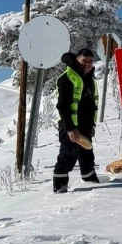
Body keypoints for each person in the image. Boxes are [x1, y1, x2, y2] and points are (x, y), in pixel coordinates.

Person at [52, 49, 99, 193]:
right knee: (67, 156)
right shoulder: (67, 78)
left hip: (85, 125)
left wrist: (92, 124)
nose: (88, 64)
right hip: (71, 126)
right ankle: (60, 189)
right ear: (77, 60)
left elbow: (91, 104)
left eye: (90, 61)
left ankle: (90, 182)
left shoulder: (89, 79)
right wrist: (70, 128)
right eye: (84, 60)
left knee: (87, 156)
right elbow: (63, 106)